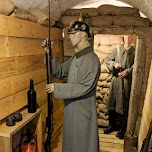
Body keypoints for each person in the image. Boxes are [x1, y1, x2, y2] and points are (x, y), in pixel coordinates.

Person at [42, 20, 100, 152]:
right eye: (70, 34)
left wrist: (58, 88)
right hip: (71, 109)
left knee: (83, 145)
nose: (70, 36)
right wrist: (50, 54)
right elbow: (60, 71)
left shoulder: (92, 59)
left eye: (74, 33)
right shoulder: (76, 57)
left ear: (84, 34)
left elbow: (85, 86)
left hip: (83, 113)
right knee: (71, 144)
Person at [104, 35, 135, 139]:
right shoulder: (117, 49)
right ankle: (111, 126)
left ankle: (122, 128)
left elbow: (135, 65)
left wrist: (128, 71)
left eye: (130, 36)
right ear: (123, 37)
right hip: (116, 80)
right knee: (112, 102)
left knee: (123, 103)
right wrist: (114, 64)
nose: (128, 38)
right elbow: (107, 60)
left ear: (133, 37)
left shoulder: (134, 52)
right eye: (126, 35)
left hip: (126, 81)